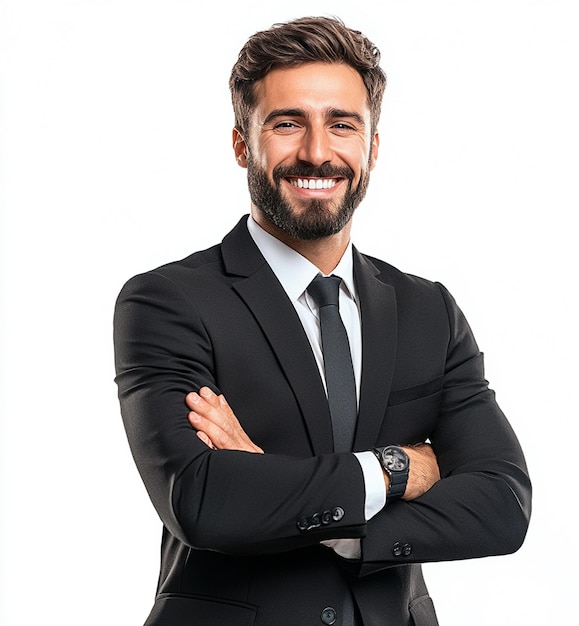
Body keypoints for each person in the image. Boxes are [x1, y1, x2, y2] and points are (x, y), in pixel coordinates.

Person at [113, 16, 531, 626]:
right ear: (241, 144)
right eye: (287, 124)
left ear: (372, 147)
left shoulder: (427, 312)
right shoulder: (169, 302)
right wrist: (398, 468)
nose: (317, 151)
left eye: (342, 125)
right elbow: (203, 501)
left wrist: (325, 517)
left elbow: (503, 503)